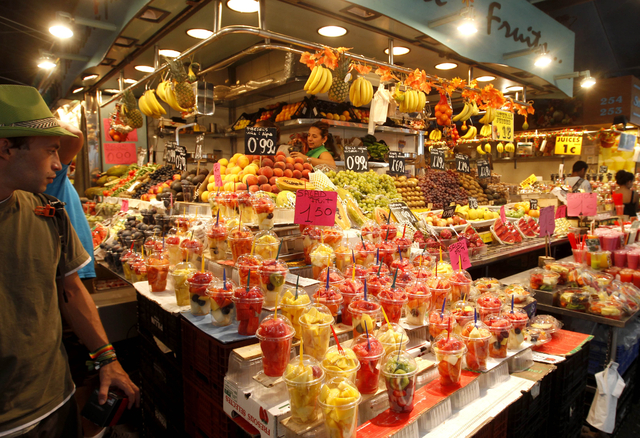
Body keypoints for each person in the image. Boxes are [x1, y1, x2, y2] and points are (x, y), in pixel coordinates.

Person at [0, 85, 139, 438]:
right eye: (49, 150)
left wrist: (107, 358)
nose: (59, 164)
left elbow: (72, 289)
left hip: (54, 401)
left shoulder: (48, 214)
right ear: (5, 148)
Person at [45, 121, 96, 280]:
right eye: (50, 150)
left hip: (70, 261)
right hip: (69, 266)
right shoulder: (44, 173)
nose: (56, 163)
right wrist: (42, 117)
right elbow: (75, 134)